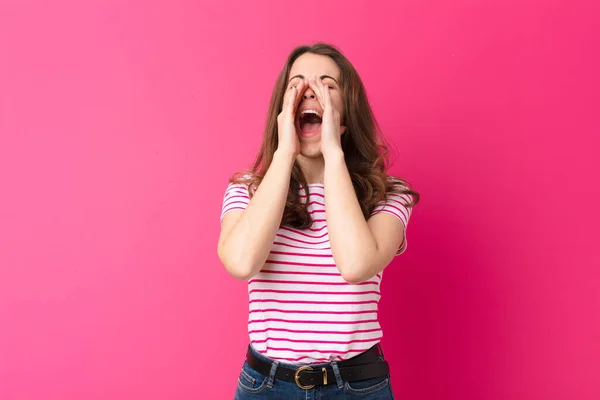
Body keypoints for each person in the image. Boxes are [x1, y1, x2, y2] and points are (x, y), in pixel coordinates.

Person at [218, 43, 420, 399]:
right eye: (297, 84)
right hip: (266, 386)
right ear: (282, 109)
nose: (310, 91)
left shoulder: (389, 194)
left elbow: (356, 265)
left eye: (327, 84)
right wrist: (284, 152)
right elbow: (241, 262)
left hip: (357, 386)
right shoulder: (247, 191)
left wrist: (332, 153)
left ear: (347, 110)